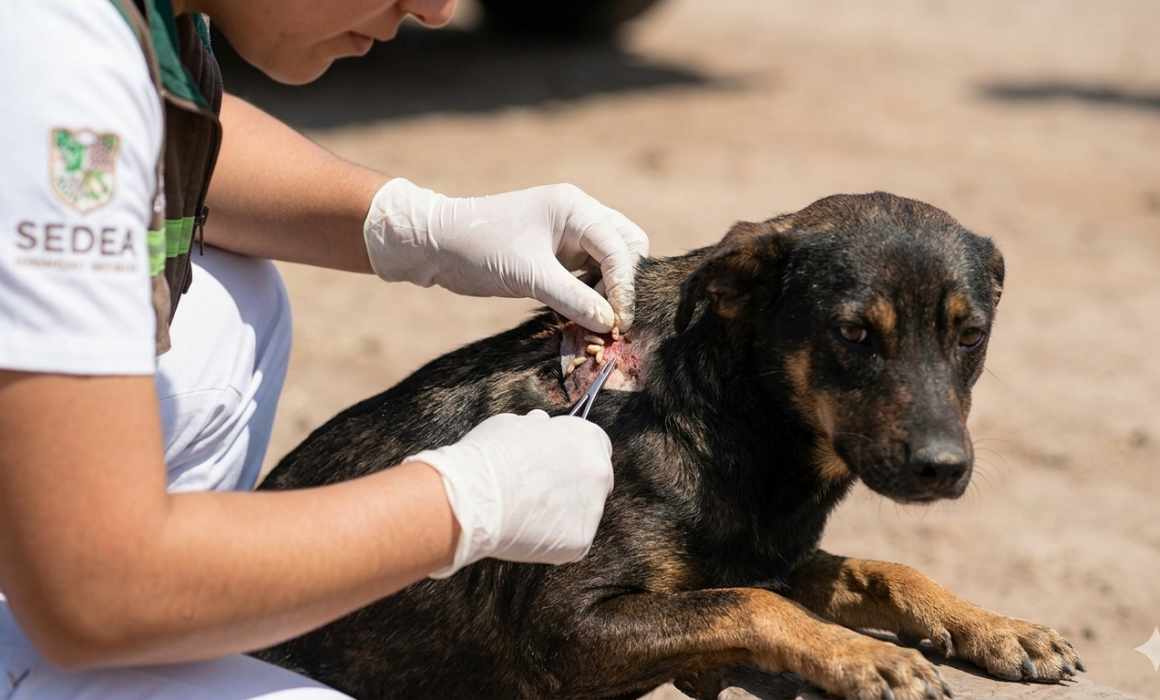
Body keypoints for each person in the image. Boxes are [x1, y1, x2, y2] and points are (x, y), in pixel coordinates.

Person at [0, 0, 649, 696]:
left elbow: (145, 129)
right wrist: (462, 503)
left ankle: (154, 621)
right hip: (85, 596)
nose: (436, 11)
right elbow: (96, 588)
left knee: (227, 305)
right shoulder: (49, 63)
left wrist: (413, 225)